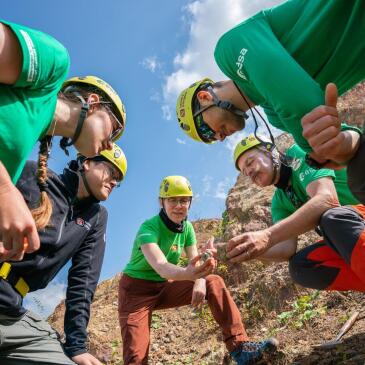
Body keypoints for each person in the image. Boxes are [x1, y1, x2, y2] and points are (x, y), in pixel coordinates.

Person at [175, 0, 364, 167]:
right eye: (212, 140)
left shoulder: (227, 52)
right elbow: (346, 145)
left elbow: (300, 101)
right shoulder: (276, 117)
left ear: (205, 97)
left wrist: (318, 151)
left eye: (207, 131)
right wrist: (334, 150)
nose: (219, 137)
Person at [0, 20, 126, 261]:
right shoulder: (54, 63)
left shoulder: (22, 156)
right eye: (114, 130)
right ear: (94, 102)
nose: (111, 144)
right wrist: (4, 190)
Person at [118, 175, 277, 365]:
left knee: (213, 282)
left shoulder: (187, 229)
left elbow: (195, 263)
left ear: (190, 202)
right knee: (136, 357)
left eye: (184, 200)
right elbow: (161, 266)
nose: (179, 205)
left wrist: (202, 274)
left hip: (164, 286)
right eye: (173, 200)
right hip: (135, 292)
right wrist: (191, 274)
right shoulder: (148, 228)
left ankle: (240, 347)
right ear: (161, 202)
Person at [0, 143, 127, 365]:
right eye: (111, 171)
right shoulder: (33, 175)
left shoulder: (95, 218)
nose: (114, 181)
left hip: (11, 313)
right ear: (87, 163)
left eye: (119, 179)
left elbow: (83, 284)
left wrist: (76, 346)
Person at [227, 134, 365, 292]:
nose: (250, 173)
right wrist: (248, 250)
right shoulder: (279, 202)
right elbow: (286, 249)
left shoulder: (297, 155)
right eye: (245, 172)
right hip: (351, 236)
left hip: (358, 217)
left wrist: (267, 236)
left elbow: (327, 200)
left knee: (332, 218)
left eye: (250, 162)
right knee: (300, 266)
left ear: (270, 151)